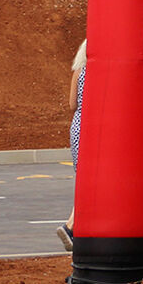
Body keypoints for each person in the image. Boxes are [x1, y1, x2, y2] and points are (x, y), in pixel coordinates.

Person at [59, 40, 88, 248]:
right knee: (92, 180)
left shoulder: (78, 71)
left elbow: (72, 104)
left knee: (83, 177)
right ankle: (72, 225)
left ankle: (74, 225)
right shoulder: (99, 71)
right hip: (93, 126)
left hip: (78, 124)